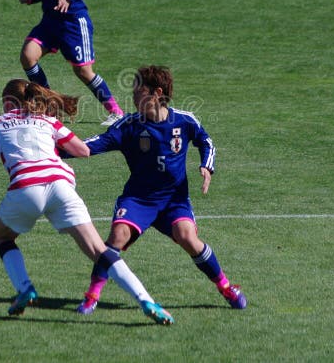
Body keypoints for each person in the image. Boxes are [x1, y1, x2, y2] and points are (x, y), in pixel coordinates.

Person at [0, 79, 174, 325]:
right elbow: (83, 151)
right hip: (61, 186)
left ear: (7, 101)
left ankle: (24, 288)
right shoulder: (48, 121)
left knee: (2, 237)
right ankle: (147, 301)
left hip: (25, 188)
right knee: (100, 252)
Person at [69, 65, 247, 314]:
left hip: (174, 200)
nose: (132, 96)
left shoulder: (184, 121)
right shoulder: (129, 126)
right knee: (117, 238)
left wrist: (207, 167)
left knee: (188, 237)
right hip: (138, 199)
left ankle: (226, 287)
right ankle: (91, 296)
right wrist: (53, 146)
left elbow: (205, 141)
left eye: (137, 91)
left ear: (156, 93)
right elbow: (92, 145)